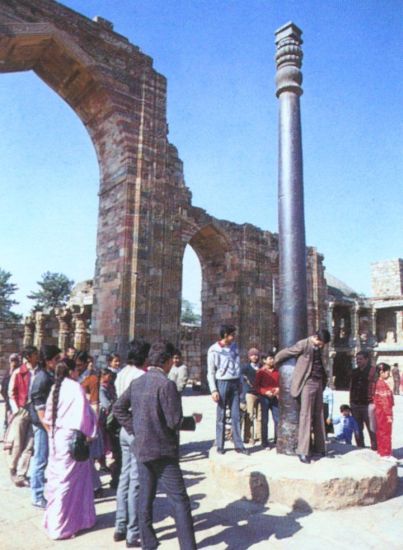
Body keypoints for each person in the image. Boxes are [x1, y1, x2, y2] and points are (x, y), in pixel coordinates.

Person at [113, 341, 201, 550]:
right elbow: (174, 421)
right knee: (180, 501)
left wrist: (136, 428)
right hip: (163, 452)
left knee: (145, 497)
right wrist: (192, 420)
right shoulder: (166, 384)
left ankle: (148, 543)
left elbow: (119, 409)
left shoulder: (138, 382)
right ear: (168, 360)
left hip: (142, 449)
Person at [43, 360, 98, 540]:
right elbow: (85, 415)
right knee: (69, 483)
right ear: (72, 372)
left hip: (57, 438)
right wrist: (91, 432)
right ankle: (62, 526)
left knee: (59, 479)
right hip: (72, 439)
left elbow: (49, 415)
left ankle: (63, 521)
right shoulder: (75, 388)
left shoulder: (55, 388)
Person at [113, 338, 150, 547]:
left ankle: (120, 525)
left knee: (124, 477)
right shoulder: (141, 376)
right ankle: (133, 532)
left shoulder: (122, 374)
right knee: (136, 481)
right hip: (136, 429)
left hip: (123, 430)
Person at [275, 329, 331, 464]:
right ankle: (303, 451)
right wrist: (275, 361)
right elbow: (286, 352)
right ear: (316, 338)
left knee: (319, 414)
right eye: (321, 342)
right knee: (306, 415)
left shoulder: (319, 347)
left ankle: (320, 447)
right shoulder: (303, 344)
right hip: (308, 383)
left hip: (319, 382)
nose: (322, 345)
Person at [207, 324, 249, 455]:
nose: (234, 337)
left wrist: (241, 382)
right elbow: (211, 371)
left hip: (235, 382)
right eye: (232, 334)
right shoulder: (214, 350)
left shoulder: (234, 347)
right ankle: (220, 445)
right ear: (225, 335)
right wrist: (213, 390)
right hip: (222, 382)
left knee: (236, 415)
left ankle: (238, 444)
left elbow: (237, 365)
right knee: (221, 416)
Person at [29, 344, 60, 508]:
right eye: (56, 359)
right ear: (48, 361)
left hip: (44, 423)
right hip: (41, 424)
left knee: (41, 458)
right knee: (40, 459)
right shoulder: (43, 377)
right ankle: (37, 495)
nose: (58, 362)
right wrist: (47, 426)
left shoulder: (47, 375)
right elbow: (39, 404)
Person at [7, 345, 38, 485]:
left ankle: (21, 474)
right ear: (29, 356)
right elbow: (11, 392)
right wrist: (16, 409)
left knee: (30, 443)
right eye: (35, 354)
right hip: (22, 409)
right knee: (18, 443)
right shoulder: (19, 372)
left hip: (34, 409)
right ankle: (12, 468)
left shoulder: (39, 372)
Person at [349, 351, 377, 450]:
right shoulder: (354, 371)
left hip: (367, 404)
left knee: (371, 428)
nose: (358, 361)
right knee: (357, 428)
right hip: (355, 404)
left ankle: (375, 447)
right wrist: (351, 403)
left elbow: (376, 386)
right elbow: (351, 387)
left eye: (360, 359)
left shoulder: (373, 371)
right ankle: (360, 447)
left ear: (366, 359)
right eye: (357, 359)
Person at [255, 352, 279, 448]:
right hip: (264, 398)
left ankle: (277, 440)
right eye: (270, 358)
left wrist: (278, 389)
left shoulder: (278, 371)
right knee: (264, 420)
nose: (272, 360)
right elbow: (256, 386)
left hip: (275, 398)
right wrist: (265, 392)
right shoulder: (261, 372)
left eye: (273, 358)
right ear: (264, 360)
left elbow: (281, 383)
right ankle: (264, 442)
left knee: (277, 419)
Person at [240, 348, 262, 445]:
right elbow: (241, 380)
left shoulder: (261, 367)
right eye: (252, 355)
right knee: (249, 416)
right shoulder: (245, 368)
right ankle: (248, 437)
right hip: (249, 394)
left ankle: (259, 436)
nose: (254, 357)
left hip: (260, 394)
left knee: (259, 416)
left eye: (256, 355)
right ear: (249, 357)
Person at [374, 363, 395, 460]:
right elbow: (385, 402)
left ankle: (381, 451)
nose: (389, 374)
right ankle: (386, 453)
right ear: (381, 372)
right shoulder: (382, 384)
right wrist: (389, 415)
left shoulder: (378, 383)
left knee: (380, 431)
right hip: (384, 412)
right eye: (387, 372)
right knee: (386, 432)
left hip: (379, 412)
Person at [1, 353, 20, 434]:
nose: (14, 362)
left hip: (17, 400)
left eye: (15, 360)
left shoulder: (19, 372)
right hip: (9, 400)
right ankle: (6, 432)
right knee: (8, 417)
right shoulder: (8, 373)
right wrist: (6, 398)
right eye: (12, 361)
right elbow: (3, 386)